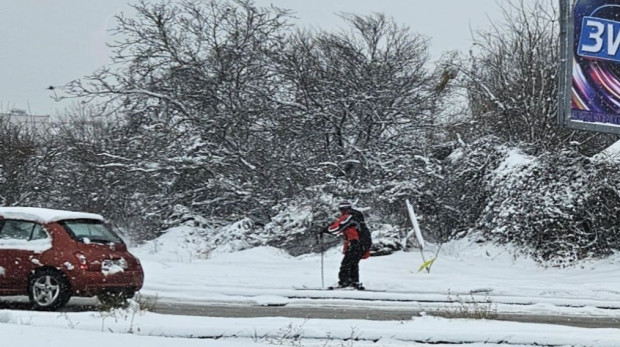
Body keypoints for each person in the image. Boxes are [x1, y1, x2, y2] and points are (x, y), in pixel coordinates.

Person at [324, 201, 372, 289]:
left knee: (346, 263)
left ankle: (345, 282)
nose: (341, 211)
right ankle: (354, 282)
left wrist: (325, 229)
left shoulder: (350, 216)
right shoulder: (356, 217)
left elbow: (337, 227)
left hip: (357, 242)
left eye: (341, 209)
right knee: (352, 263)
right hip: (363, 242)